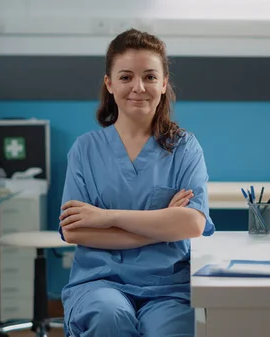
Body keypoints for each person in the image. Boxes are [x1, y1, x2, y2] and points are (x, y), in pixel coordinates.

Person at [58, 28, 215, 337]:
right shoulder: (85, 149)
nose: (139, 88)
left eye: (150, 77)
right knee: (108, 317)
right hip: (99, 283)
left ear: (164, 83)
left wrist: (107, 217)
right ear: (110, 83)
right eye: (126, 77)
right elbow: (75, 229)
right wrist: (160, 226)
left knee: (170, 330)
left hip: (167, 287)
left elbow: (193, 224)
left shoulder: (184, 147)